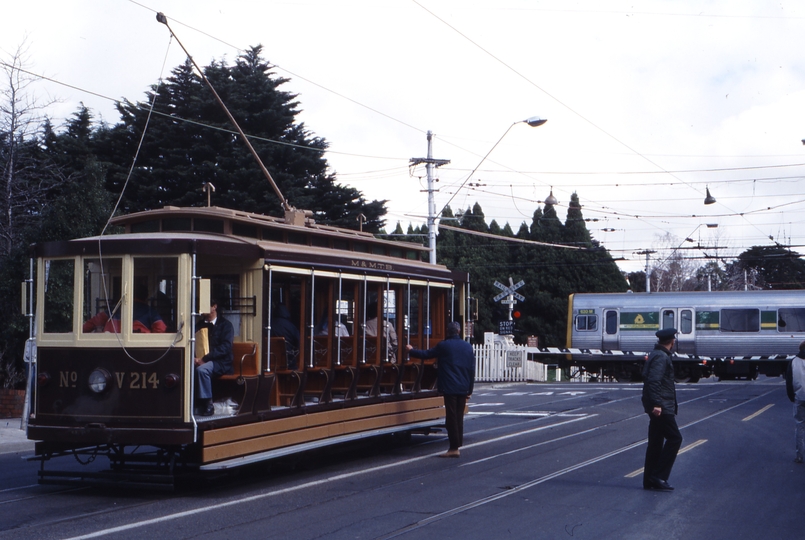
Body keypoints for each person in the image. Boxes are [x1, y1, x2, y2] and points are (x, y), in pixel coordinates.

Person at [406, 321, 474, 458]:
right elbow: (472, 369)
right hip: (463, 386)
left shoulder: (444, 345)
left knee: (451, 417)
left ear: (447, 332)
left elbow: (427, 354)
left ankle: (454, 448)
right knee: (458, 416)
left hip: (449, 385)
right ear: (459, 332)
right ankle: (457, 444)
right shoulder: (468, 347)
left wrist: (411, 350)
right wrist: (470, 389)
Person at [642, 327, 683, 491]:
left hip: (658, 404)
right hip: (661, 406)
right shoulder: (661, 357)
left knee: (656, 442)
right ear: (672, 341)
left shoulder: (657, 354)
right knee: (675, 439)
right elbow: (654, 381)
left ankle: (649, 480)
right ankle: (659, 476)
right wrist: (657, 404)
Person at [194, 299, 234, 416]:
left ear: (214, 307)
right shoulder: (199, 325)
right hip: (202, 360)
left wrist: (205, 359)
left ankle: (208, 404)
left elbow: (225, 348)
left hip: (221, 362)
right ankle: (193, 403)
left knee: (202, 370)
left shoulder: (226, 325)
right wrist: (194, 358)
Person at [784, 341, 805, 463]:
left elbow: (789, 383)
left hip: (799, 397)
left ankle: (799, 455)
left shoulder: (793, 362)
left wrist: (792, 397)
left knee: (800, 426)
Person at [271, 304, 301, 370]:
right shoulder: (291, 327)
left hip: (270, 361)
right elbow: (299, 344)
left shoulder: (270, 326)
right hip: (289, 362)